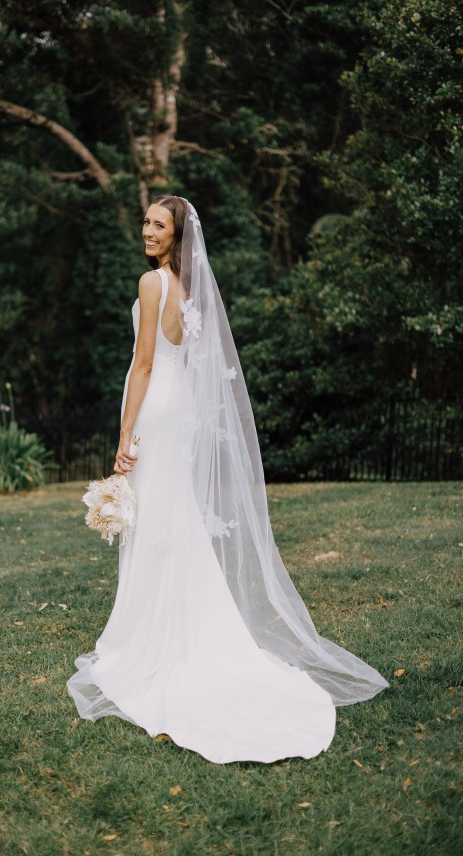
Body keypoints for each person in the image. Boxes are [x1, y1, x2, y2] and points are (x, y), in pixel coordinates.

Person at [66, 195, 388, 764]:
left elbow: (142, 364)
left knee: (156, 516)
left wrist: (124, 436)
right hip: (179, 408)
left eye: (158, 224)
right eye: (145, 221)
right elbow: (189, 363)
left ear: (176, 236)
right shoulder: (189, 292)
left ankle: (150, 636)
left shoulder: (151, 283)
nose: (147, 230)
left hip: (153, 407)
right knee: (171, 515)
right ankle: (179, 620)